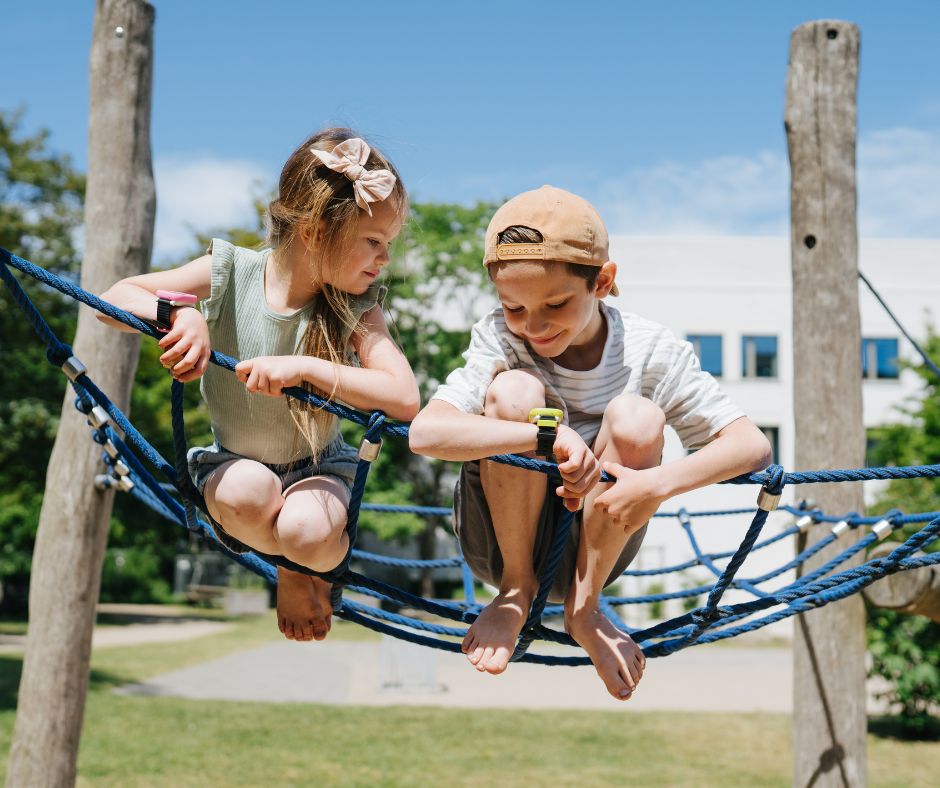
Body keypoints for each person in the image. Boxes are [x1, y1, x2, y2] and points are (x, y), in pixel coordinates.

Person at [408, 185, 772, 700]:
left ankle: (584, 608)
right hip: (501, 543)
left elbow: (751, 447)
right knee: (515, 390)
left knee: (638, 416)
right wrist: (546, 436)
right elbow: (426, 433)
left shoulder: (650, 350)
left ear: (602, 281)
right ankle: (515, 593)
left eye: (554, 303)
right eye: (514, 307)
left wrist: (656, 485)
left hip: (598, 545)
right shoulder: (499, 337)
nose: (533, 326)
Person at [98, 129, 419, 643]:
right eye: (375, 242)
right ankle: (288, 567)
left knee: (304, 530)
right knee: (252, 491)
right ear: (315, 231)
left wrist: (308, 370)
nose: (384, 259)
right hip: (234, 469)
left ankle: (301, 567)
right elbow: (112, 296)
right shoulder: (233, 272)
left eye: (388, 245)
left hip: (320, 473)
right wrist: (179, 314)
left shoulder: (354, 305)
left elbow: (404, 397)